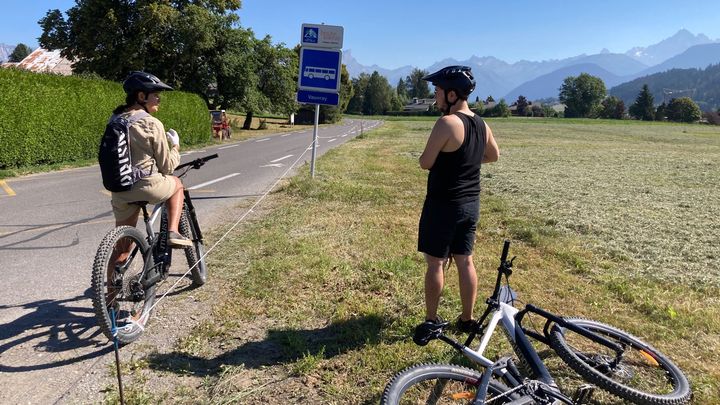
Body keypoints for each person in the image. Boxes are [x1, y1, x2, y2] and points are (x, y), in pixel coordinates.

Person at [413, 66, 500, 346]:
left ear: (452, 94)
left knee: (436, 263)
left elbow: (425, 162)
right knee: (465, 261)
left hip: (443, 204)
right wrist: (468, 161)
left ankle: (431, 319)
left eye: (438, 91)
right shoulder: (481, 123)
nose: (436, 96)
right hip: (470, 204)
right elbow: (493, 155)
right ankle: (467, 318)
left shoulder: (447, 123)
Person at [109, 71, 191, 248]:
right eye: (156, 95)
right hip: (146, 186)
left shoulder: (114, 120)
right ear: (141, 96)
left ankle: (111, 276)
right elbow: (167, 166)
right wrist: (175, 147)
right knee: (177, 184)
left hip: (119, 190)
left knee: (122, 248)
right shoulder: (151, 123)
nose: (159, 100)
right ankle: (173, 232)